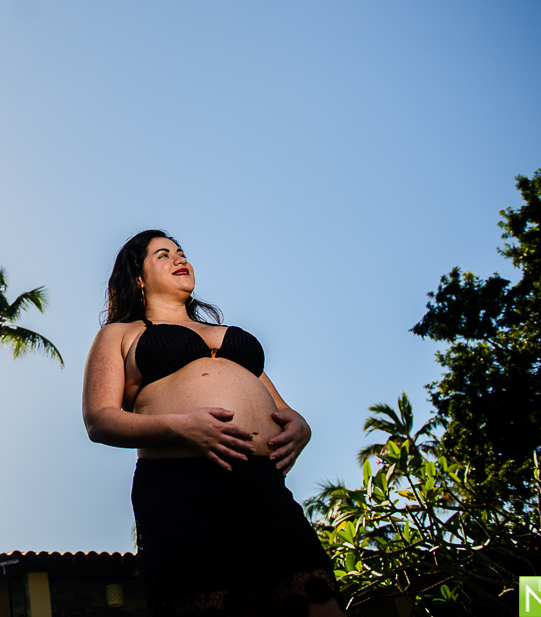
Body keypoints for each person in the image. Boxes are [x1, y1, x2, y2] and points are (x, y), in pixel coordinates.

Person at [82, 230, 345, 616]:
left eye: (181, 252)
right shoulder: (120, 334)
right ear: (138, 278)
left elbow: (278, 405)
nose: (178, 258)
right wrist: (181, 427)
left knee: (317, 602)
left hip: (262, 484)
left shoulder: (226, 334)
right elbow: (99, 420)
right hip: (183, 485)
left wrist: (300, 426)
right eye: (162, 255)